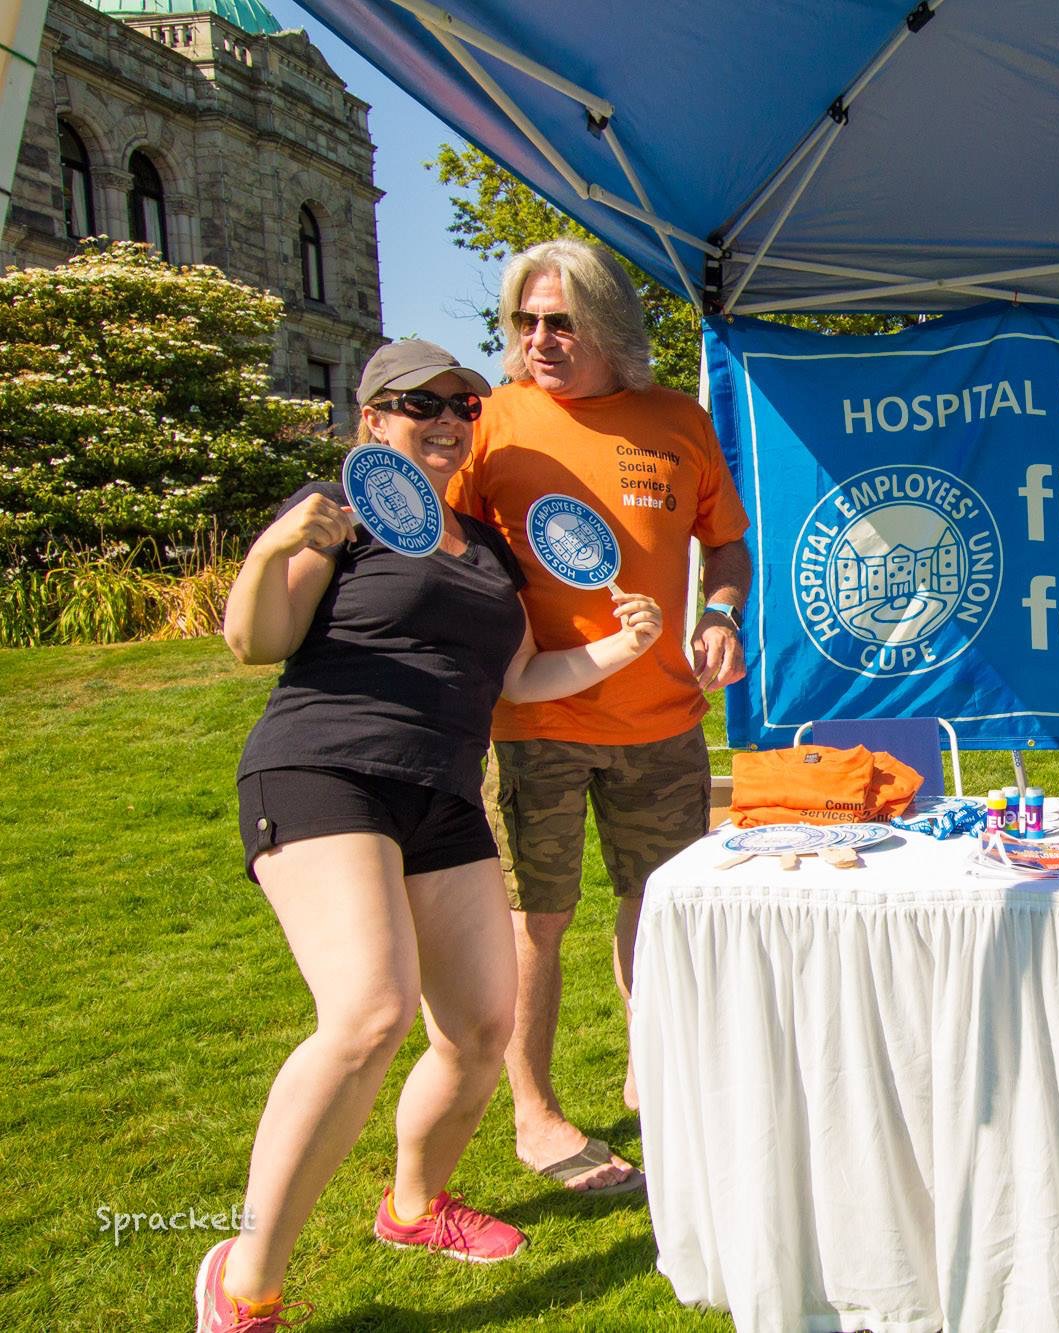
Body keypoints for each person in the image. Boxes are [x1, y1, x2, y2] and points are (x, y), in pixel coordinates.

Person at [197, 339, 666, 1331]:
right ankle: (244, 1282)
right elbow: (258, 643)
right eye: (419, 403)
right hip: (325, 770)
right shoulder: (340, 518)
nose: (447, 419)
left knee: (480, 1028)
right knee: (367, 1015)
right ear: (371, 419)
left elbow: (519, 681)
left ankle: (414, 1207)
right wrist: (272, 549)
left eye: (463, 403)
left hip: (443, 790)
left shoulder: (486, 549)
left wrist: (619, 646)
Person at [445, 238, 752, 1195]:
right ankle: (534, 1113)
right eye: (523, 321)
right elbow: (436, 548)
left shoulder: (679, 422)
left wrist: (719, 614)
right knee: (535, 920)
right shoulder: (491, 423)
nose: (538, 340)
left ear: (610, 326)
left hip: (661, 718)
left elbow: (727, 547)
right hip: (532, 722)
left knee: (655, 909)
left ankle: (651, 1069)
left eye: (560, 321)